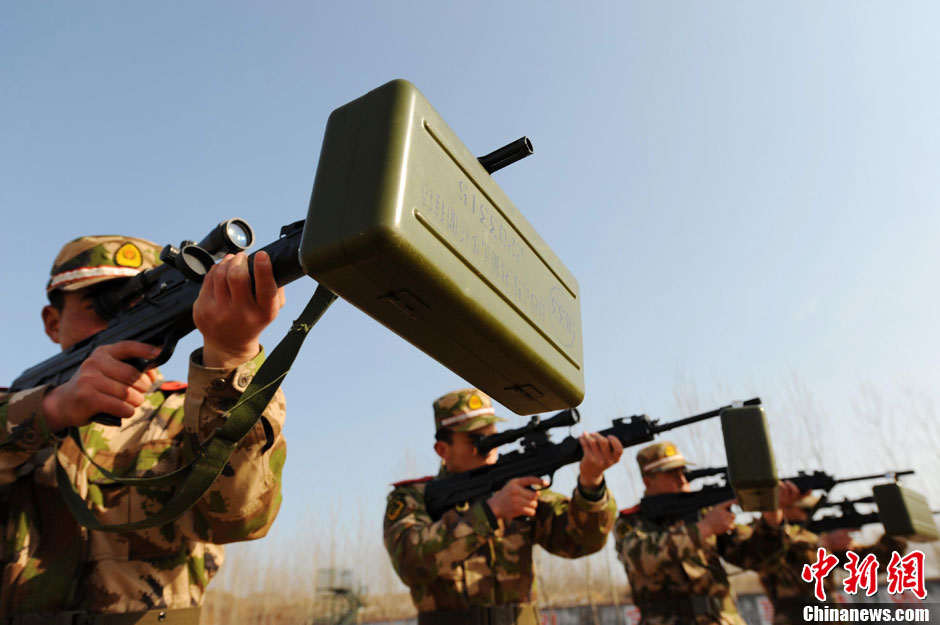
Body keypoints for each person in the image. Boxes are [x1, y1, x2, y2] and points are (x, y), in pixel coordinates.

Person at [0, 235, 287, 622]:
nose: (121, 316)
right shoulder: (18, 407)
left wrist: (232, 357)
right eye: (102, 303)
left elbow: (239, 519)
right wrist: (54, 407)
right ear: (54, 323)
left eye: (136, 302)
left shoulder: (191, 411)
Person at [383, 388, 623, 625]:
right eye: (475, 440)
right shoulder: (414, 497)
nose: (489, 447)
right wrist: (490, 513)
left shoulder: (516, 486)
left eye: (492, 435)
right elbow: (410, 564)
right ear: (442, 450)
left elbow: (580, 541)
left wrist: (591, 484)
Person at [614, 441, 797, 625]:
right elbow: (643, 559)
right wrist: (704, 529)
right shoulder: (632, 521)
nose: (682, 480)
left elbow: (761, 559)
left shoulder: (704, 514)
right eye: (672, 474)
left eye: (683, 472)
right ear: (648, 481)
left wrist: (773, 511)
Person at [755, 492, 908, 625]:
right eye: (805, 510)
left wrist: (897, 531)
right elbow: (768, 555)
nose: (809, 515)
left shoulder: (820, 545)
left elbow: (872, 565)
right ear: (784, 508)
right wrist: (820, 542)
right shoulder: (767, 537)